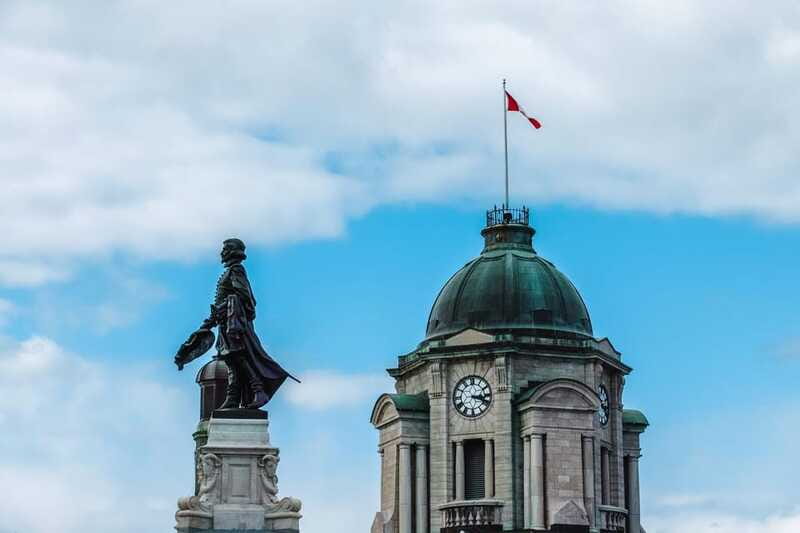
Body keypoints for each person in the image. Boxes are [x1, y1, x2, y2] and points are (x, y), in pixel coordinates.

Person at [196, 238, 296, 409]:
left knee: (239, 357)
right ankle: (233, 397)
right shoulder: (230, 271)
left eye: (225, 249)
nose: (222, 253)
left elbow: (243, 296)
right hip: (226, 322)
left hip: (234, 324)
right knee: (230, 359)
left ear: (232, 251)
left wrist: (222, 308)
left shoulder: (236, 270)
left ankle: (258, 390)